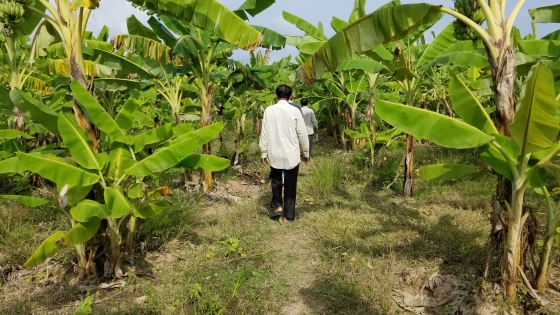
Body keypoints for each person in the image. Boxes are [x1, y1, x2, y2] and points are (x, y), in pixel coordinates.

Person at [260, 84, 309, 223]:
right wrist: (306, 152)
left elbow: (265, 133)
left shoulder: (269, 111)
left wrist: (263, 152)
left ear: (276, 96)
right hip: (291, 153)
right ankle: (288, 216)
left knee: (276, 180)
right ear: (290, 95)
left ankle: (278, 207)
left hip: (274, 152)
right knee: (290, 183)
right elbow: (302, 133)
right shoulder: (295, 111)